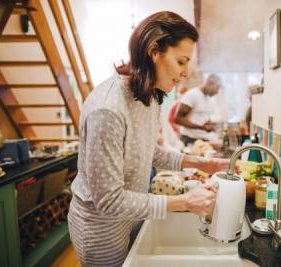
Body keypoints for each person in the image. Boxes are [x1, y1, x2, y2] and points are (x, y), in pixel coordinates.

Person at [68, 11, 228, 267]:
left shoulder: (149, 97)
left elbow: (150, 152)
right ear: (155, 50)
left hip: (133, 214)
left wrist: (201, 163)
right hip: (101, 229)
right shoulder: (108, 109)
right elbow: (108, 200)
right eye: (181, 61)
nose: (185, 73)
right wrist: (184, 201)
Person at [174, 74, 222, 145]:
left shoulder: (208, 98)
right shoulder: (193, 95)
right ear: (210, 84)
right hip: (189, 139)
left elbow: (202, 117)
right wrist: (201, 127)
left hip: (201, 139)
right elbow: (178, 119)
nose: (217, 92)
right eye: (217, 88)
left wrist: (211, 125)